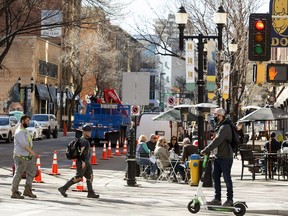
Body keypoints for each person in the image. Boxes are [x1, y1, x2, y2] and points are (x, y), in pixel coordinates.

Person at [200, 108, 234, 207]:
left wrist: (205, 150)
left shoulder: (225, 127)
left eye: (216, 115)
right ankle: (217, 198)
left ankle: (230, 199)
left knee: (227, 178)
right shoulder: (219, 126)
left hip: (226, 157)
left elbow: (217, 141)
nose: (214, 117)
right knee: (215, 177)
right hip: (218, 156)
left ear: (221, 116)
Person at [58, 125, 99, 198]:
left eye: (89, 132)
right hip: (82, 162)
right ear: (84, 132)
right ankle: (63, 188)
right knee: (79, 177)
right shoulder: (83, 141)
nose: (89, 133)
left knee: (90, 176)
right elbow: (81, 153)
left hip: (86, 162)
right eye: (87, 132)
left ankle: (90, 192)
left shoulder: (84, 140)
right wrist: (83, 162)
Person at [11, 115, 38, 199]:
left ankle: (27, 190)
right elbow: (24, 145)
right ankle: (14, 192)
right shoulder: (19, 132)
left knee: (32, 172)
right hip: (21, 157)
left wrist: (31, 154)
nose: (28, 122)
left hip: (28, 157)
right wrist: (33, 153)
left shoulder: (25, 131)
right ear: (22, 121)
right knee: (18, 174)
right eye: (27, 121)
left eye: (29, 121)